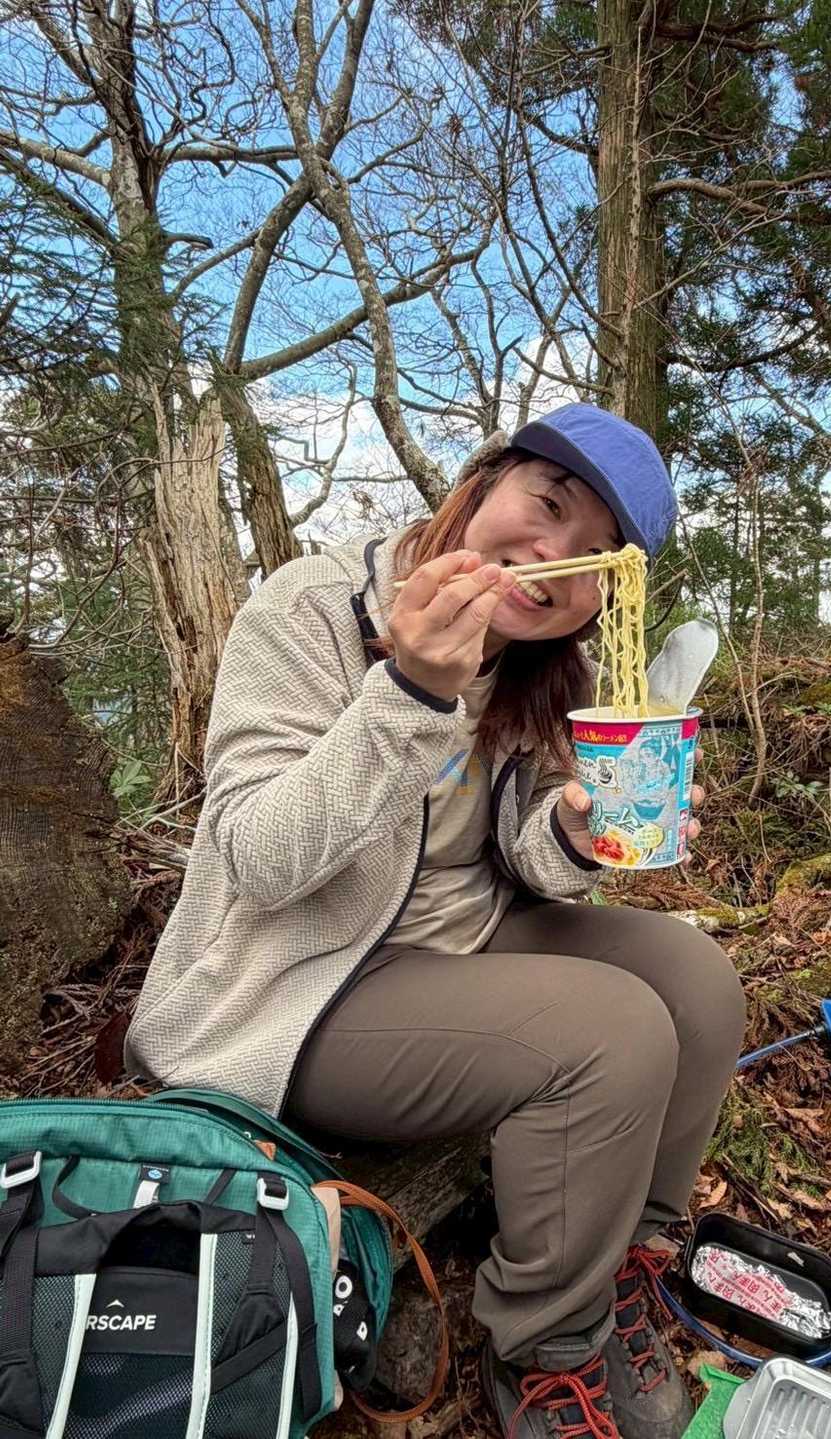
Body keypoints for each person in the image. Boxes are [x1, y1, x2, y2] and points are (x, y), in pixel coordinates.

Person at [125, 402, 746, 1439]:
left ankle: (626, 1253)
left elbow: (522, 855)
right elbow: (257, 858)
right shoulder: (311, 608)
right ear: (481, 481)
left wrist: (575, 836)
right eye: (547, 503)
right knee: (611, 1030)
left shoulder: (551, 670)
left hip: (463, 942)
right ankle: (546, 1348)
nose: (551, 553)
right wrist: (409, 690)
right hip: (297, 984)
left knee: (694, 978)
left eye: (595, 553)